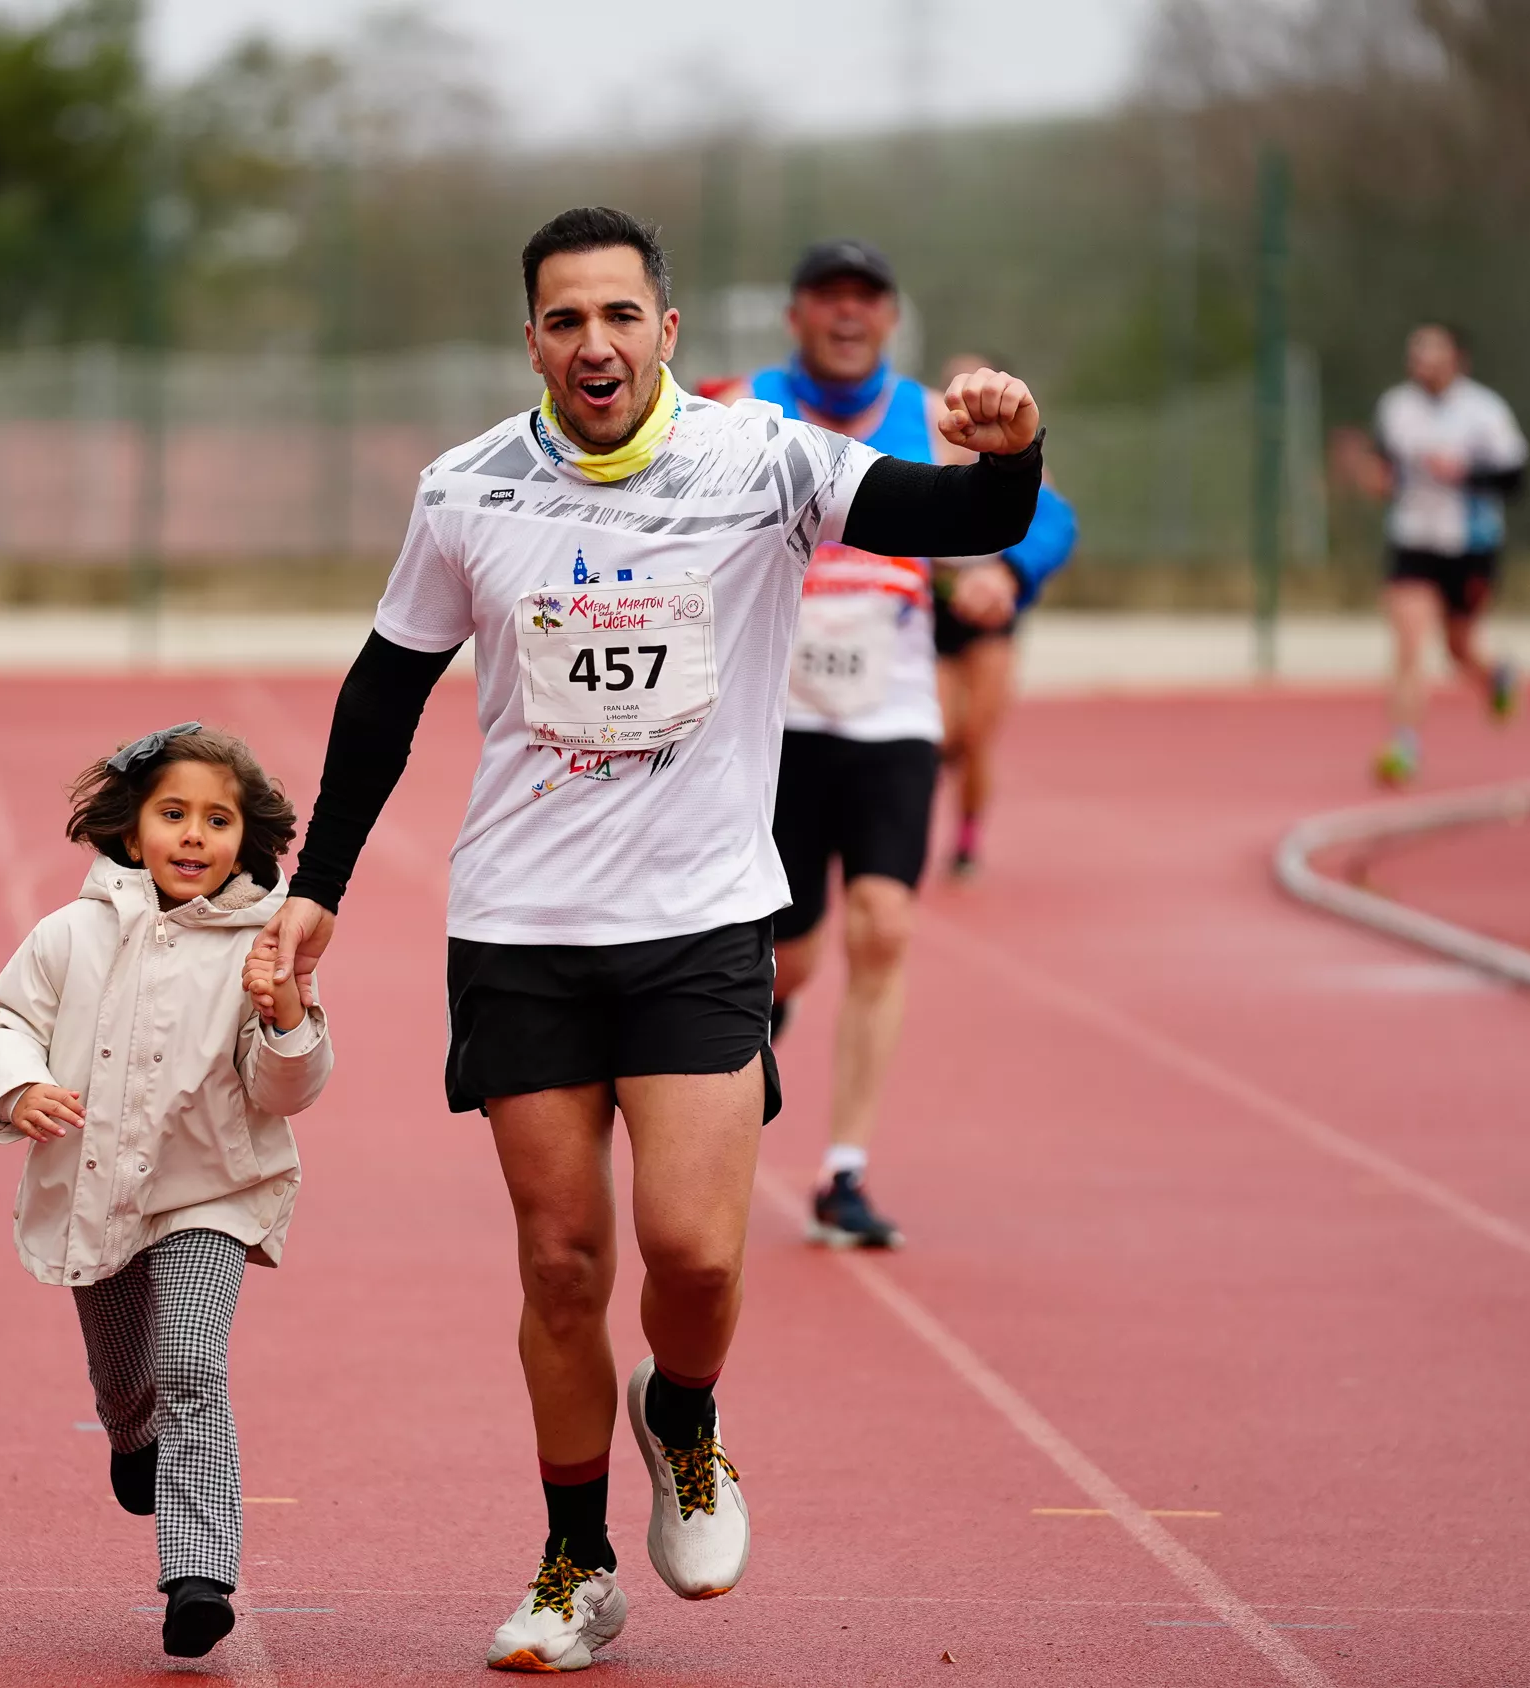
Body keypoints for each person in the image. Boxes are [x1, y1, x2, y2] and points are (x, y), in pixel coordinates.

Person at [261, 207, 1046, 1672]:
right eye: (566, 321)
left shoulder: (769, 460)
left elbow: (975, 522)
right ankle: (575, 1562)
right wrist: (323, 883)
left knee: (689, 1251)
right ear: (533, 340)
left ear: (667, 332)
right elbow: (387, 690)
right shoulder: (468, 490)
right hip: (520, 928)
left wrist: (1012, 448)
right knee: (561, 1264)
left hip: (697, 924)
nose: (595, 346)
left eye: (621, 317)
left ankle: (682, 1410)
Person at [0, 724, 334, 1662]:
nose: (195, 836)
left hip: (211, 1189)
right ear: (133, 834)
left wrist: (287, 1014)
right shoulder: (70, 934)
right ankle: (131, 1439)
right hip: (98, 1193)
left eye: (218, 819)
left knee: (194, 1366)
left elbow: (286, 1087)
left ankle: (198, 1576)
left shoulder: (262, 946)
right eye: (174, 815)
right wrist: (19, 1085)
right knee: (125, 1371)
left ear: (245, 842)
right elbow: (0, 1018)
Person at [748, 255, 1079, 1250]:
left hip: (892, 719)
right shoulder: (741, 412)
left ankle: (844, 1169)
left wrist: (1004, 578)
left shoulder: (938, 413)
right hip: (779, 727)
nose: (849, 314)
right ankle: (774, 1004)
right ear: (797, 314)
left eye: (869, 299)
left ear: (891, 317)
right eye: (829, 297)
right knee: (792, 954)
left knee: (884, 925)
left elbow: (1046, 513)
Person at [1352, 322, 1527, 786]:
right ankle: (1403, 746)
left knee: (1458, 647)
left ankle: (1497, 676)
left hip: (1470, 546)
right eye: (1416, 354)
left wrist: (1465, 471)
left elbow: (1516, 478)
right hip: (1412, 540)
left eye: (1432, 354)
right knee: (1410, 647)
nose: (1422, 363)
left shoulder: (1485, 411)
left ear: (1457, 360)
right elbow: (1387, 473)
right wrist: (1372, 478)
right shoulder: (1396, 408)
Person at [931, 351, 1079, 881]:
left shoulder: (1017, 449)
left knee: (977, 735)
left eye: (974, 377)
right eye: (953, 377)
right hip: (933, 609)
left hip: (992, 613)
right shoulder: (927, 434)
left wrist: (1008, 575)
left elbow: (1058, 522)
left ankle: (968, 838)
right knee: (942, 730)